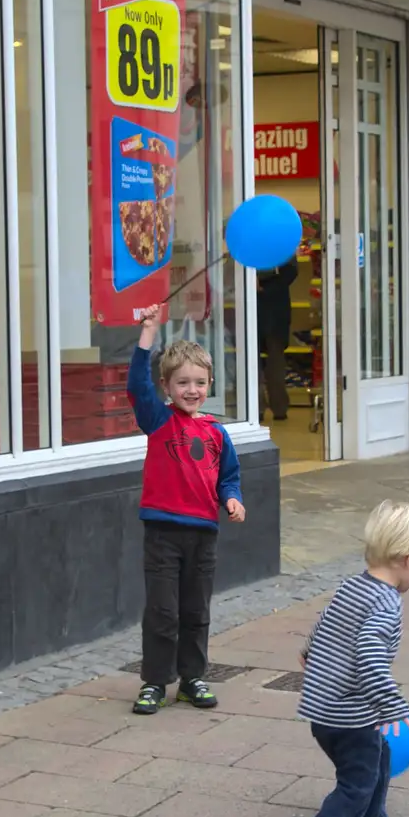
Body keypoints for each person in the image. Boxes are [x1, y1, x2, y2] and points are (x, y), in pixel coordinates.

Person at [285, 500, 409, 817]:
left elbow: (325, 623)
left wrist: (309, 652)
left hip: (323, 708)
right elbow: (369, 654)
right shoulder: (387, 603)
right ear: (408, 560)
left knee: (378, 762)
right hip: (349, 712)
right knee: (356, 784)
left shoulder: (354, 585)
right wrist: (391, 704)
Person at [127, 303, 244, 715]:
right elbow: (136, 386)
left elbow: (229, 475)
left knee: (196, 610)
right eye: (182, 383)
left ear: (209, 384)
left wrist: (232, 498)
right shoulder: (158, 421)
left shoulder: (216, 432)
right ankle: (155, 682)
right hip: (162, 535)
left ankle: (192, 677)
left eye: (199, 382)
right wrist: (148, 335)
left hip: (203, 535)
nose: (191, 390)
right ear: (167, 387)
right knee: (162, 611)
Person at [258, 257, 299, 420]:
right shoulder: (283, 242)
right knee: (273, 362)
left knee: (260, 363)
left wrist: (258, 286)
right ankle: (276, 407)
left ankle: (260, 407)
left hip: (265, 308)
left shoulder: (249, 240)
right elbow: (291, 272)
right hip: (274, 308)